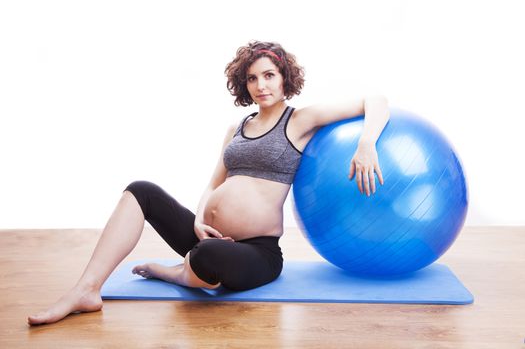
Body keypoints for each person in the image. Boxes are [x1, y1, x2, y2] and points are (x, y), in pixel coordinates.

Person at [28, 41, 390, 325]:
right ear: (243, 84)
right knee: (140, 190)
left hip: (255, 253)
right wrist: (200, 220)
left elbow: (375, 100)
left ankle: (179, 273)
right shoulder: (237, 128)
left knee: (210, 257)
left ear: (284, 78)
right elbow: (213, 183)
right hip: (207, 237)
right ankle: (86, 290)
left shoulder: (300, 120)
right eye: (252, 78)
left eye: (268, 75)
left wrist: (366, 143)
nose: (261, 85)